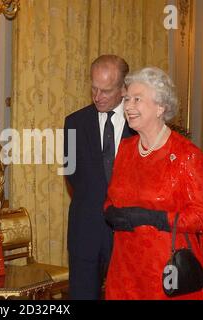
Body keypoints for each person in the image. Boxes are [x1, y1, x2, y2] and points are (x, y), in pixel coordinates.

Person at [104, 67, 203, 299]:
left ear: (161, 107)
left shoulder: (185, 155)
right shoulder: (126, 150)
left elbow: (202, 216)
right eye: (127, 99)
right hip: (125, 268)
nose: (128, 106)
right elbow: (112, 198)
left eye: (137, 99)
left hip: (167, 269)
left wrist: (154, 218)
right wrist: (109, 211)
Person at [64, 55, 135, 299]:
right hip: (85, 228)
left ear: (124, 88)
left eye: (106, 90)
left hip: (129, 230)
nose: (97, 97)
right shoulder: (74, 122)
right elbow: (71, 173)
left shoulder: (139, 125)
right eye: (93, 88)